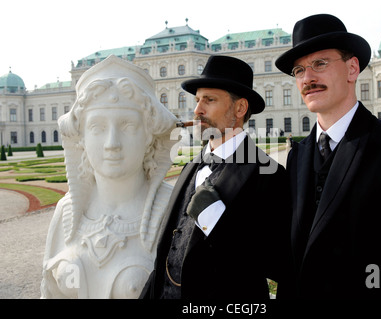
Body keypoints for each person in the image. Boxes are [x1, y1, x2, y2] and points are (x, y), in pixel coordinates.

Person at [275, 14, 381, 299]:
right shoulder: (298, 155)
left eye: (320, 63)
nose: (308, 78)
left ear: (352, 69)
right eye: (299, 70)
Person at [140, 55, 292, 299]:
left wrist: (217, 223)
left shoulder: (269, 173)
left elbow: (279, 262)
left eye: (209, 100)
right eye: (198, 100)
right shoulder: (191, 166)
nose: (197, 109)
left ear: (240, 108)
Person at [41, 55, 178, 298]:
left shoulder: (172, 210)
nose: (111, 143)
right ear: (81, 138)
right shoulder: (66, 210)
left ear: (149, 136)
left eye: (127, 126)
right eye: (97, 128)